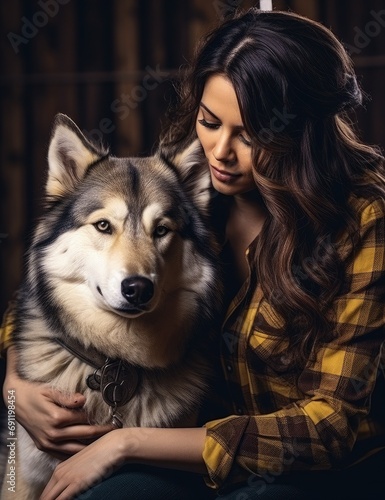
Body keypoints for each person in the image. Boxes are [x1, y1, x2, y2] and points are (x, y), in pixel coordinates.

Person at [2, 8, 385, 500]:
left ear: (302, 131)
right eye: (209, 121)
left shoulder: (364, 220)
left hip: (313, 467)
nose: (219, 151)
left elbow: (330, 426)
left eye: (249, 135)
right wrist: (15, 388)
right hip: (187, 448)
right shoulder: (189, 178)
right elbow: (57, 280)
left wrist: (127, 443)